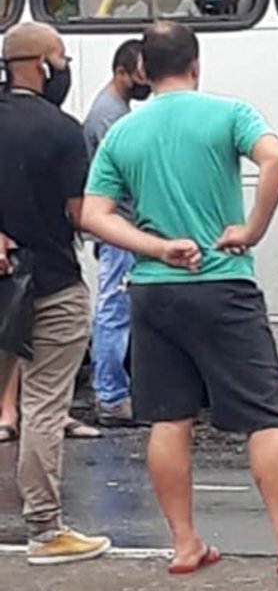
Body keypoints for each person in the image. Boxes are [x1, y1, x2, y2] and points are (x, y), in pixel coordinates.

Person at [81, 21, 278, 578]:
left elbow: (94, 214)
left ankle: (184, 544)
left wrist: (156, 246)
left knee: (168, 419)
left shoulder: (124, 132)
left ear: (143, 72)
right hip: (224, 283)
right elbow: (277, 160)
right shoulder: (229, 114)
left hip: (153, 290)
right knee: (264, 417)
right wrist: (251, 229)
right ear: (195, 65)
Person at [0, 21, 112, 565]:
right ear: (43, 65)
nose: (63, 69)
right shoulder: (61, 130)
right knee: (43, 406)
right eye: (60, 58)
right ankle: (46, 530)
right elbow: (79, 214)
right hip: (50, 284)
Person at [82, 38, 150, 428]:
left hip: (120, 228)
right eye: (141, 75)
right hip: (119, 229)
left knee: (118, 311)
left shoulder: (115, 110)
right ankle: (111, 397)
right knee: (113, 312)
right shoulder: (111, 116)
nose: (146, 82)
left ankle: (115, 392)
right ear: (122, 73)